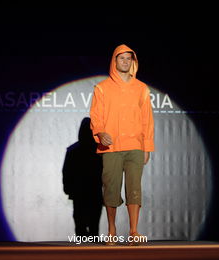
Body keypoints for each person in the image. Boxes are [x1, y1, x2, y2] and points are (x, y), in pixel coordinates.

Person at [89, 44, 154, 245]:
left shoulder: (141, 88)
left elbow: (147, 120)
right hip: (112, 147)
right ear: (114, 61)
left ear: (133, 62)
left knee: (134, 187)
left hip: (135, 145)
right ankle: (111, 231)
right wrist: (100, 133)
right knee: (111, 188)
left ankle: (134, 231)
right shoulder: (102, 88)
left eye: (128, 58)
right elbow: (96, 116)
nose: (125, 61)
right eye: (121, 58)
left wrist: (147, 147)